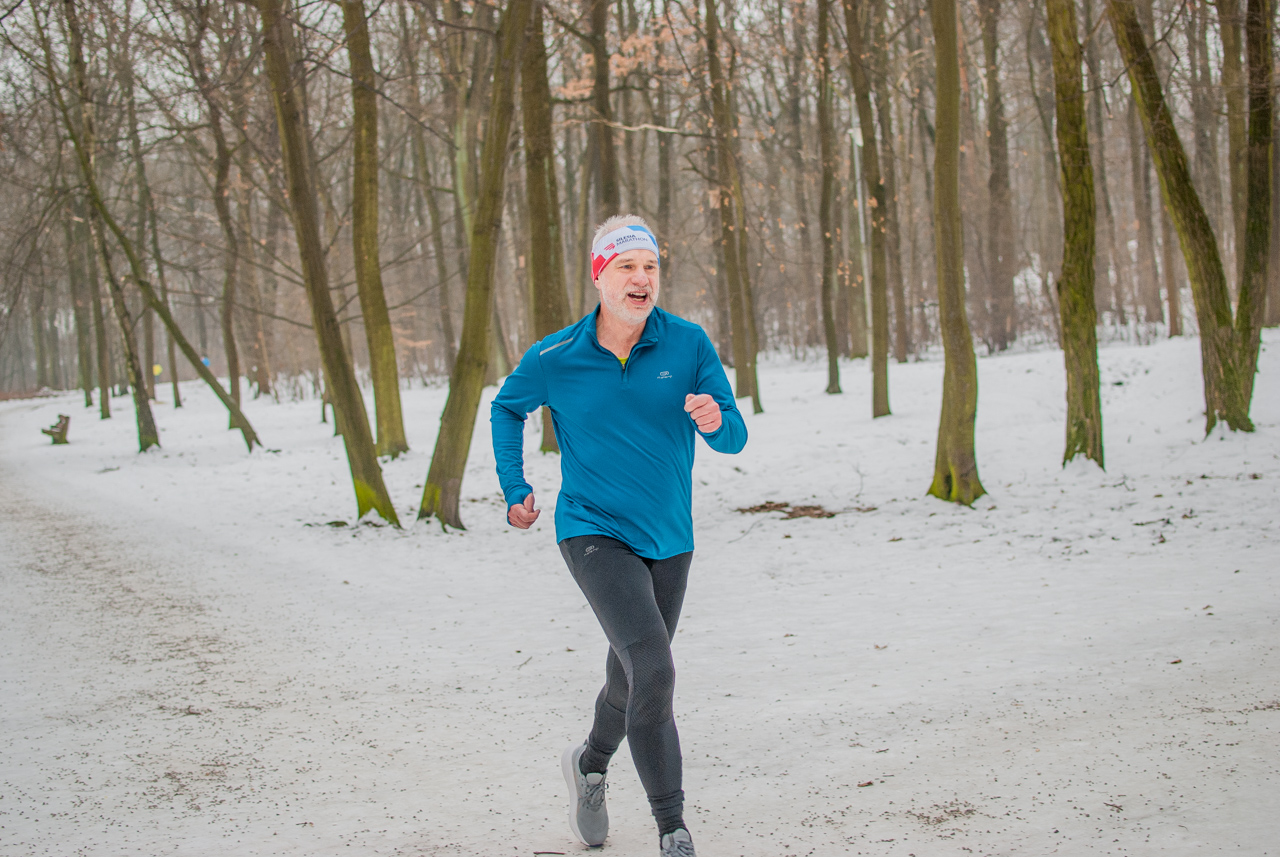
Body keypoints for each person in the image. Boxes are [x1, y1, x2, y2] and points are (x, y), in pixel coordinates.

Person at [491, 214, 748, 856]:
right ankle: (673, 828)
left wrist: (716, 419)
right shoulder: (556, 356)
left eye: (651, 266)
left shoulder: (687, 344)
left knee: (630, 673)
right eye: (628, 266)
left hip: (669, 535)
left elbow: (734, 434)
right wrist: (515, 487)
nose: (642, 278)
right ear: (600, 273)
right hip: (591, 529)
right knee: (654, 666)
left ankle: (590, 763)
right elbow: (507, 406)